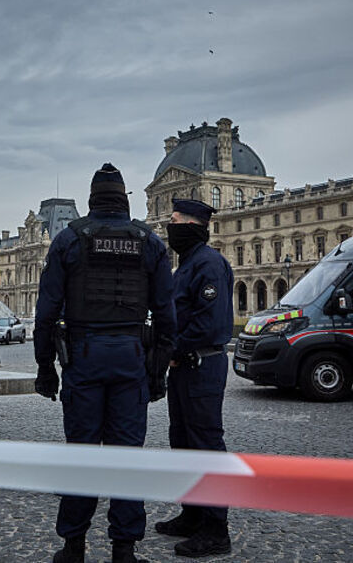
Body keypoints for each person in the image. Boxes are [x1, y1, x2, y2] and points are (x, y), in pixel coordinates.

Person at [34, 163, 177, 563]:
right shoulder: (149, 242)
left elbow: (45, 313)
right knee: (127, 455)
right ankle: (124, 550)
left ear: (93, 199)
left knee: (81, 453)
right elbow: (166, 316)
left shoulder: (69, 239)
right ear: (124, 199)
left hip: (83, 356)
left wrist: (46, 367)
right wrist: (159, 370)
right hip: (131, 356)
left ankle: (73, 546)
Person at [155, 199, 234, 557]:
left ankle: (216, 530)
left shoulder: (209, 264)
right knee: (183, 442)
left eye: (173, 221)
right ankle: (192, 514)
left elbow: (210, 323)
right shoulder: (188, 264)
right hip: (186, 366)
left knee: (206, 446)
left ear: (191, 224)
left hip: (201, 364)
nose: (169, 227)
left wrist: (174, 347)